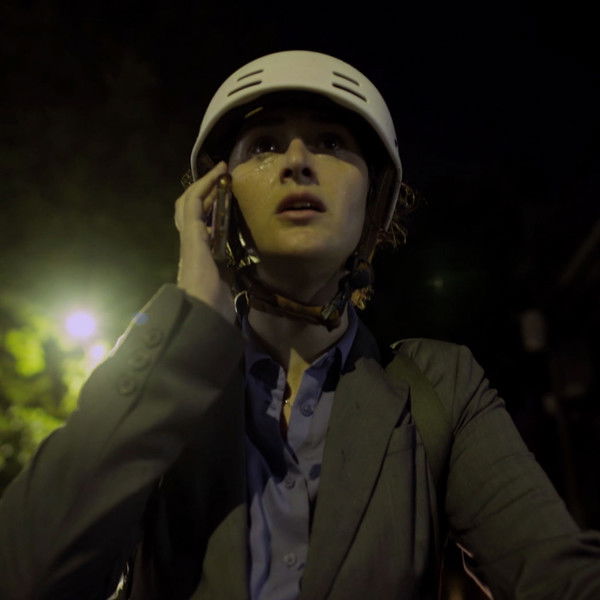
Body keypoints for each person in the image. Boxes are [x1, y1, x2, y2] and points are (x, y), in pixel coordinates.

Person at [0, 50, 599, 600]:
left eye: (331, 142)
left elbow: (557, 575)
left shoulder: (442, 386)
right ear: (216, 199)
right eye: (263, 145)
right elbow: (28, 575)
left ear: (375, 200)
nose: (295, 162)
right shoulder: (160, 381)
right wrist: (190, 320)